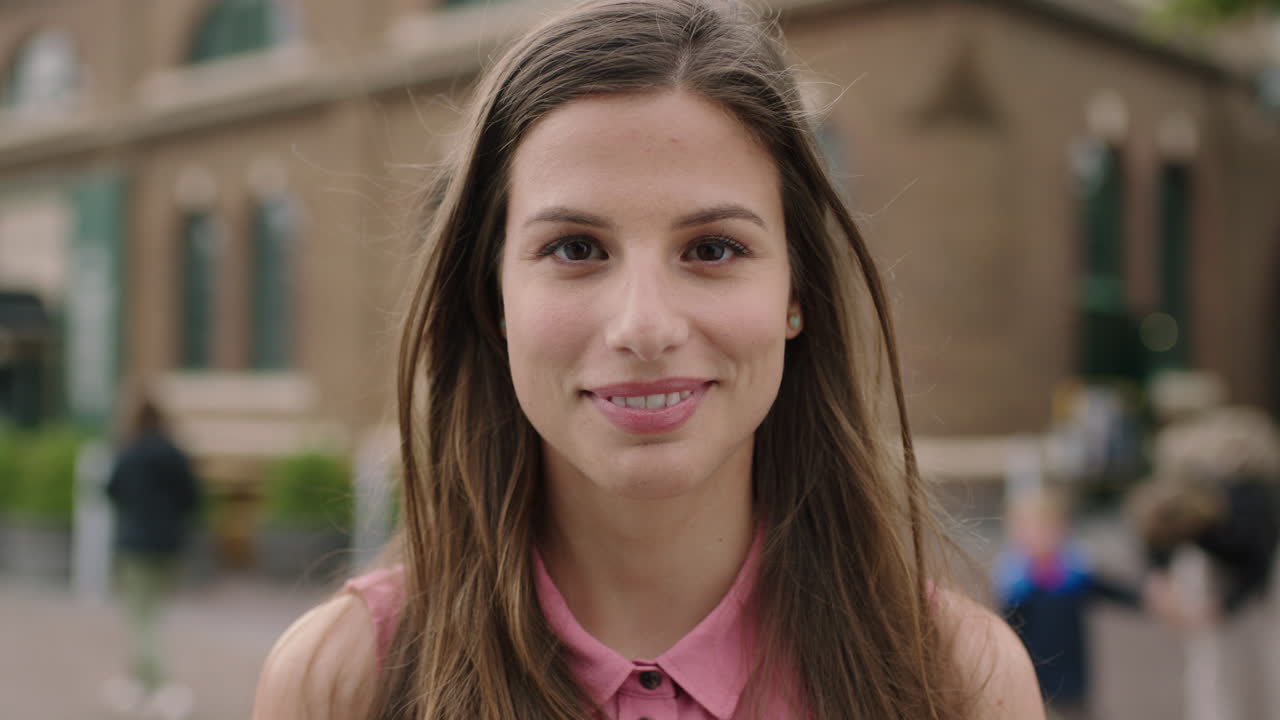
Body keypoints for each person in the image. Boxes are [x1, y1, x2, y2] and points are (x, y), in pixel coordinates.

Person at [252, 0, 1043, 717]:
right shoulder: (340, 684)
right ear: (493, 301)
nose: (644, 327)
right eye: (575, 248)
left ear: (796, 293)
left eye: (712, 248)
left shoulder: (961, 683)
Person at [995, 488, 1141, 720]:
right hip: (1033, 685)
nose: (1039, 536)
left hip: (1073, 683)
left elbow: (1114, 591)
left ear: (1063, 530)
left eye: (1047, 528)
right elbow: (1004, 632)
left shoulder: (1075, 574)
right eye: (1029, 529)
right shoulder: (1015, 584)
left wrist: (1148, 597)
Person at [104, 394, 201, 720]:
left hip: (134, 544)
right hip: (168, 544)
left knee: (141, 618)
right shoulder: (174, 453)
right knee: (151, 614)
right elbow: (191, 496)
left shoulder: (128, 452)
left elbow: (111, 490)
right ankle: (137, 682)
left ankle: (161, 685)